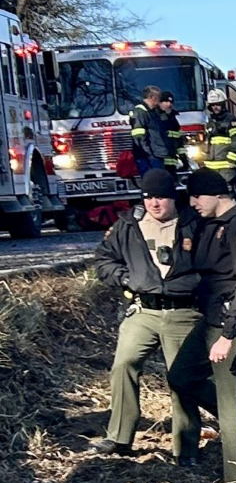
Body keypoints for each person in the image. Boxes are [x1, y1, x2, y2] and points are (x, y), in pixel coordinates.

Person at [167, 167, 236, 483]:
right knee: (182, 376)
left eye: (197, 197)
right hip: (212, 318)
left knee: (232, 403)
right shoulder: (209, 224)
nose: (193, 203)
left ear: (217, 194)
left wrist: (229, 335)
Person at [91, 169, 203, 462]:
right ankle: (119, 437)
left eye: (162, 197)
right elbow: (103, 260)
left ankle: (186, 447)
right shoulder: (128, 225)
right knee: (123, 364)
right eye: (149, 197)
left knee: (181, 379)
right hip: (143, 309)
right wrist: (125, 277)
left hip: (183, 312)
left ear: (173, 197)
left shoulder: (195, 224)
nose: (155, 203)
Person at [202, 88, 236, 190]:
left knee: (227, 195)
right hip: (211, 168)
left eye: (217, 104)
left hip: (227, 167)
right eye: (213, 105)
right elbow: (208, 143)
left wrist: (232, 159)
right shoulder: (210, 123)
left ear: (223, 104)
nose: (215, 107)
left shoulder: (232, 121)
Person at [129, 85, 169, 176]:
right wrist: (149, 155)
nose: (160, 100)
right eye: (159, 97)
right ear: (152, 97)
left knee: (159, 183)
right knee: (152, 183)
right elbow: (139, 137)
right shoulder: (139, 112)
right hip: (148, 157)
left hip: (157, 154)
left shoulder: (154, 111)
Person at [158, 91, 190, 176]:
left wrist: (184, 160)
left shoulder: (173, 119)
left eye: (171, 102)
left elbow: (179, 143)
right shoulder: (155, 118)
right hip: (160, 162)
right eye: (166, 102)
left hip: (172, 162)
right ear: (159, 103)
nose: (169, 104)